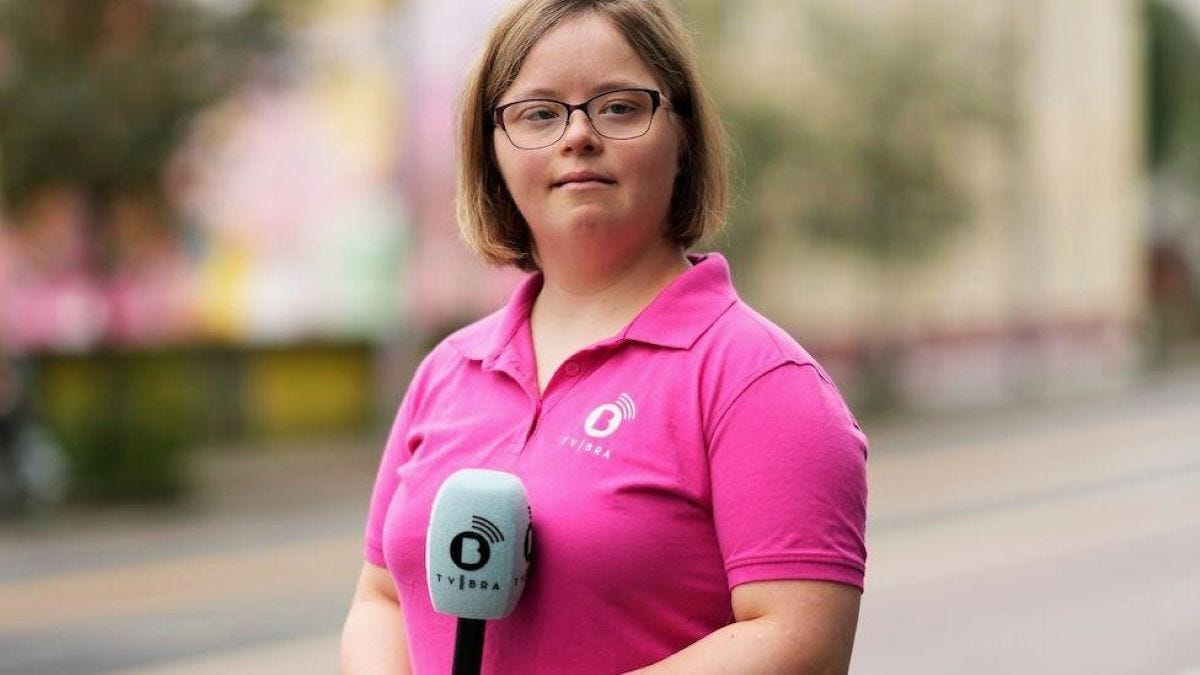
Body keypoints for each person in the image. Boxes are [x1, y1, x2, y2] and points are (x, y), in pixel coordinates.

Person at [340, 0, 868, 672]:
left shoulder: (758, 381)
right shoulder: (447, 370)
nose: (578, 135)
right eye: (538, 113)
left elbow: (801, 645)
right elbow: (380, 595)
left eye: (618, 107)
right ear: (492, 152)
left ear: (683, 138)